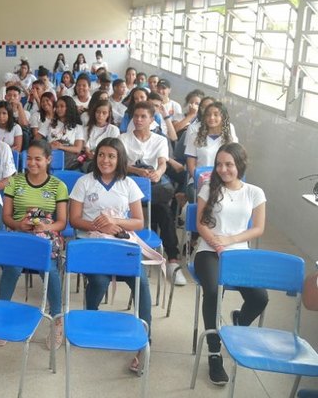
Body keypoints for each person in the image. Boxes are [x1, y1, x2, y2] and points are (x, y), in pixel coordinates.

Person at [68, 137, 151, 372]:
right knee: (99, 280)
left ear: (119, 159)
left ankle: (145, 340)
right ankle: (89, 321)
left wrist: (114, 221)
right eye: (102, 155)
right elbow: (74, 220)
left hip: (120, 243)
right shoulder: (84, 182)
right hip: (91, 243)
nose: (106, 160)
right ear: (96, 157)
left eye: (112, 156)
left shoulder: (128, 184)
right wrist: (98, 226)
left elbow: (138, 221)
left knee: (141, 281)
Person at [195, 143, 267, 386]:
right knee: (214, 292)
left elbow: (258, 228)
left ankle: (238, 323)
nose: (223, 169)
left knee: (260, 298)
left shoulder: (254, 192)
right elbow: (201, 223)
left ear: (240, 165)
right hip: (208, 251)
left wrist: (231, 240)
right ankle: (214, 353)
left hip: (238, 253)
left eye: (229, 164)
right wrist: (216, 243)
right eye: (219, 164)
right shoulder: (208, 187)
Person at [0, 139, 67, 348]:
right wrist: (19, 225)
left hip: (45, 235)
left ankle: (57, 320)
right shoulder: (14, 182)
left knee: (50, 269)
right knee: (12, 268)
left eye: (38, 159)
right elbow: (6, 217)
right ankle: (1, 315)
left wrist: (45, 228)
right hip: (20, 232)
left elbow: (62, 222)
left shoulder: (58, 186)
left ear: (48, 160)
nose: (32, 163)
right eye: (29, 158)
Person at [121, 101, 182, 285]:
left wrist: (158, 173)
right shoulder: (123, 138)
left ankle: (173, 260)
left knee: (164, 212)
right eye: (136, 116)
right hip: (129, 190)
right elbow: (121, 165)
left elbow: (163, 163)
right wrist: (138, 172)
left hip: (152, 189)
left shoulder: (160, 140)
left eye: (143, 117)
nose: (139, 120)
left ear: (151, 119)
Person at [185, 102, 238, 198]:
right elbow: (191, 164)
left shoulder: (230, 139)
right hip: (199, 181)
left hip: (225, 180)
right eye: (208, 115)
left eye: (216, 115)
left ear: (223, 117)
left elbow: (235, 163)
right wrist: (199, 180)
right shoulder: (195, 137)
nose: (211, 117)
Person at [39, 95, 83, 168]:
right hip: (51, 155)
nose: (59, 109)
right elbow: (37, 140)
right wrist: (49, 145)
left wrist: (60, 147)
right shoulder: (49, 123)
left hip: (69, 159)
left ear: (69, 108)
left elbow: (77, 149)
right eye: (57, 106)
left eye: (62, 106)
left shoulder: (78, 127)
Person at [78, 99, 120, 172]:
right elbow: (84, 145)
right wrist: (87, 152)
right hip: (89, 160)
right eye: (98, 112)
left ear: (109, 114)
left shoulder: (114, 130)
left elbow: (114, 149)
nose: (100, 115)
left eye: (104, 113)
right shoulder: (86, 129)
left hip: (106, 160)